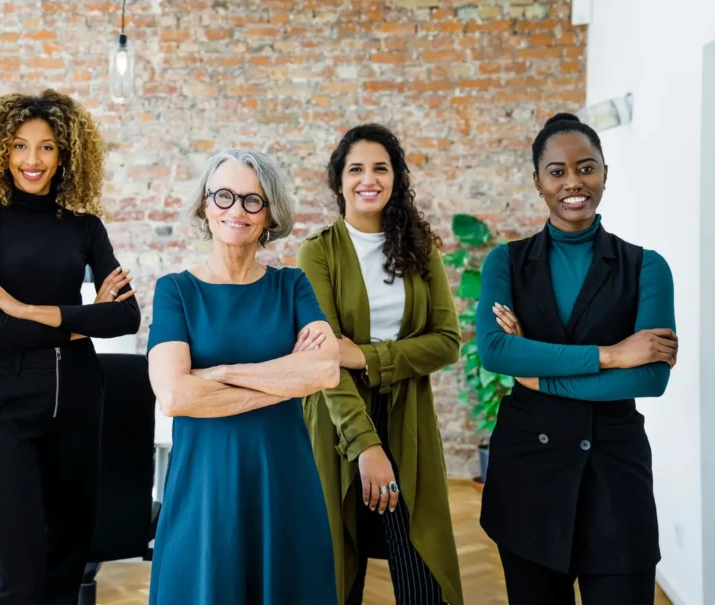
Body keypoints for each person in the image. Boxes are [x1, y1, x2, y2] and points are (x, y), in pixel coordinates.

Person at [477, 113, 678, 605]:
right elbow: (497, 350)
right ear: (538, 181)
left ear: (605, 173)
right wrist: (613, 355)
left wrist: (539, 378)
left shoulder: (647, 266)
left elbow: (651, 377)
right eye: (557, 171)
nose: (573, 183)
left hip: (615, 478)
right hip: (529, 477)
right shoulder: (505, 262)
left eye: (586, 168)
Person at [0, 90, 141, 604]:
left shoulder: (85, 226)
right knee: (21, 572)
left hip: (80, 400)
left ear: (65, 156)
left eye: (46, 148)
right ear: (0, 150)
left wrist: (24, 309)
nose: (32, 161)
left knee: (66, 562)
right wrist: (84, 319)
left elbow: (126, 316)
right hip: (5, 404)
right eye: (19, 146)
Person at [147, 149, 339, 605]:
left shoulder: (292, 285)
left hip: (284, 480)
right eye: (225, 196)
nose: (238, 210)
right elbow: (175, 395)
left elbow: (325, 368)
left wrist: (226, 373)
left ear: (270, 214)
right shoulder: (176, 290)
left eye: (253, 201)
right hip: (205, 485)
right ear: (205, 205)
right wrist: (286, 378)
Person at [298, 124, 464, 605]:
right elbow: (324, 358)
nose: (368, 179)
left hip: (409, 417)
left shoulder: (420, 248)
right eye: (355, 169)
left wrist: (366, 355)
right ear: (339, 180)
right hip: (337, 422)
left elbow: (447, 342)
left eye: (380, 168)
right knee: (336, 569)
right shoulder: (318, 252)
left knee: (422, 571)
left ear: (396, 178)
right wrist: (366, 446)